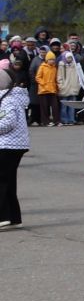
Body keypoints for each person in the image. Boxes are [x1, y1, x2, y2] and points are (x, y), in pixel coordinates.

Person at [0, 66, 27, 228]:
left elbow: (8, 122)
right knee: (8, 181)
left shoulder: (7, 99)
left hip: (7, 145)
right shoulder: (10, 97)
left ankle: (2, 216)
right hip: (13, 144)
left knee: (1, 181)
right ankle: (13, 217)